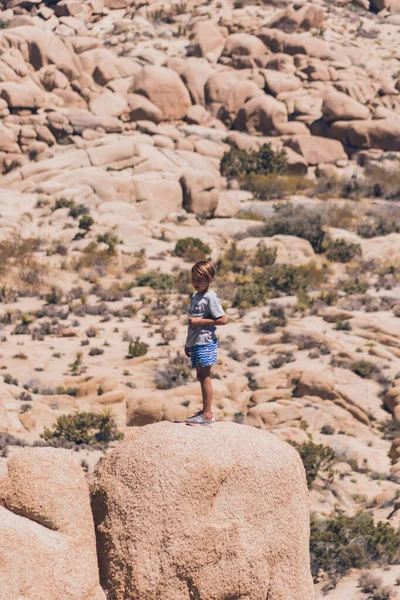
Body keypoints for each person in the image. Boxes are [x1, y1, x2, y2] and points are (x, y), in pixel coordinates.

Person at [184, 260, 227, 426]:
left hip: (205, 342)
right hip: (196, 342)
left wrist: (201, 322)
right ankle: (204, 411)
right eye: (194, 279)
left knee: (205, 376)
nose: (196, 283)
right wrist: (188, 344)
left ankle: (207, 414)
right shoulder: (196, 296)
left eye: (200, 280)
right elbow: (191, 324)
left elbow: (223, 320)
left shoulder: (210, 298)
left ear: (209, 279)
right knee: (200, 376)